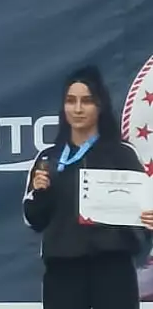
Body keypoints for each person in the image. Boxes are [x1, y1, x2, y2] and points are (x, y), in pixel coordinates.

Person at [22, 65, 153, 309]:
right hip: (64, 270)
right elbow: (34, 220)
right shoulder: (48, 158)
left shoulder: (122, 154)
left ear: (100, 106)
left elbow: (142, 210)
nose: (78, 109)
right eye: (71, 101)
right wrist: (40, 193)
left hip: (113, 268)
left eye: (87, 101)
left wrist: (147, 222)